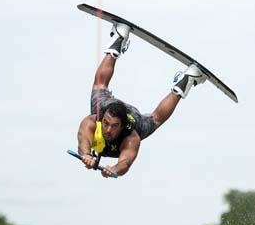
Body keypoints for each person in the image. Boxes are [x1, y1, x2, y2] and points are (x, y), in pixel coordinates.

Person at [77, 22, 206, 178]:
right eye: (106, 124)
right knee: (99, 85)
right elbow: (83, 140)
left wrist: (115, 169)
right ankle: (119, 37)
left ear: (122, 126)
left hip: (133, 117)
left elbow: (125, 162)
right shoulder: (92, 121)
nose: (108, 130)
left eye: (114, 126)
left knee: (156, 120)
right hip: (109, 106)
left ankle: (188, 80)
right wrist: (86, 155)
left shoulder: (132, 136)